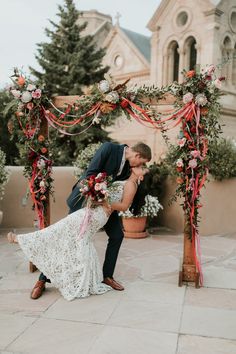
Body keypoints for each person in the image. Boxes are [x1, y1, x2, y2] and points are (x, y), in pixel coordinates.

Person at [23, 141, 151, 299]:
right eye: (142, 162)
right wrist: (98, 196)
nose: (140, 165)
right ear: (138, 155)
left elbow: (123, 187)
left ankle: (107, 276)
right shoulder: (109, 149)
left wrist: (108, 202)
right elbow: (91, 173)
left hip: (105, 207)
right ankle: (42, 280)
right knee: (69, 238)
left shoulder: (128, 167)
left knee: (117, 235)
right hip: (84, 200)